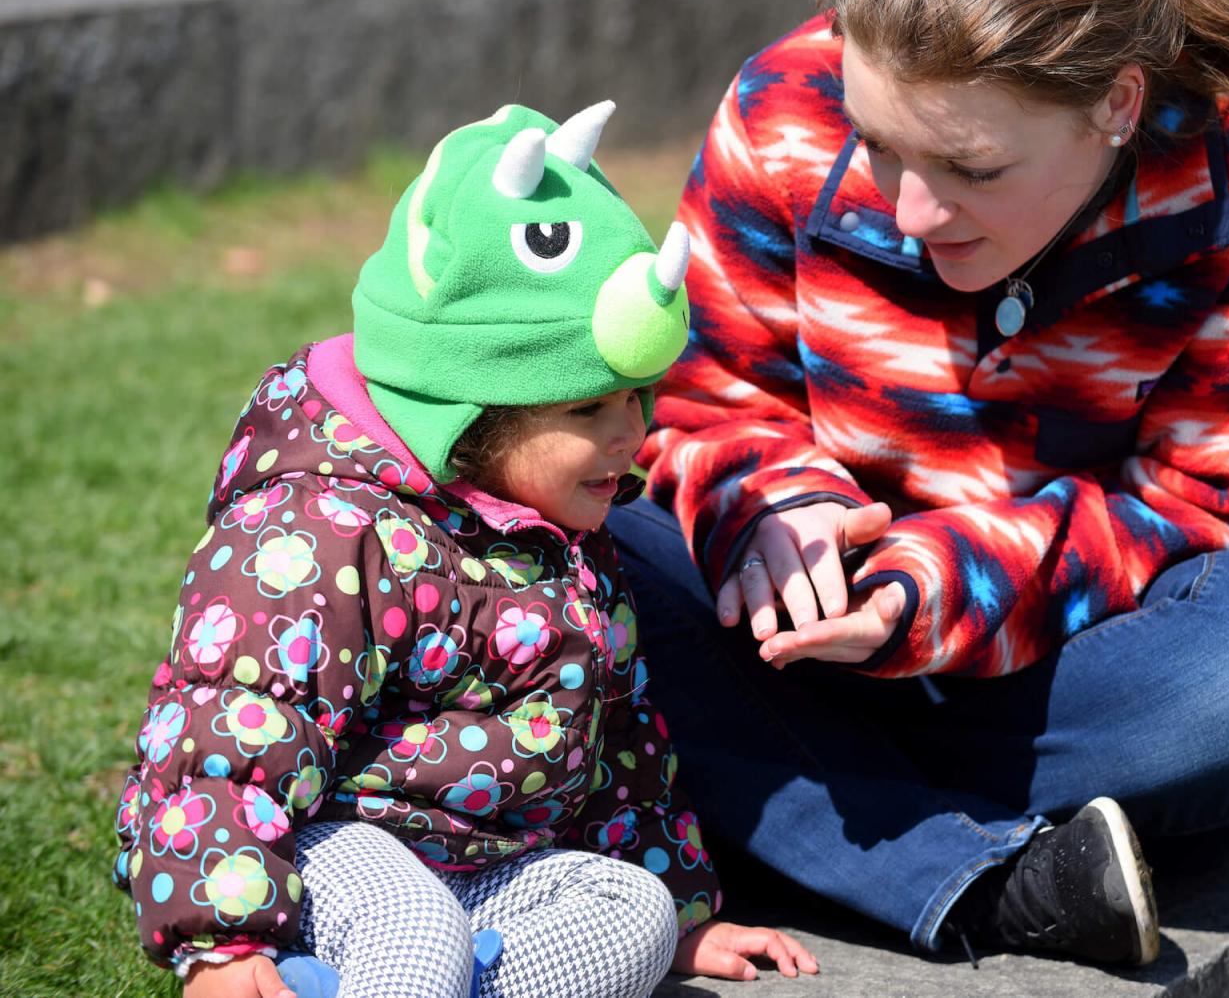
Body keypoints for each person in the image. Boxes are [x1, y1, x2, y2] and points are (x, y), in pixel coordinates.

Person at [611, 0, 1229, 966]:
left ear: (1116, 104)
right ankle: (989, 879)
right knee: (561, 542)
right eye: (877, 145)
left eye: (970, 167)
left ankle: (769, 804)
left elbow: (1209, 509)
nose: (911, 209)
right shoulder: (785, 99)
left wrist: (937, 585)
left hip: (1063, 672)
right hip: (784, 646)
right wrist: (768, 508)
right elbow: (706, 401)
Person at [112, 102, 817, 998]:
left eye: (639, 399)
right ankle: (357, 968)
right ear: (474, 407)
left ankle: (390, 984)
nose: (630, 434)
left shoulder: (565, 531)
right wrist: (224, 938)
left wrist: (683, 910)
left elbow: (621, 745)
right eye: (587, 410)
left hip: (481, 866)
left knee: (627, 915)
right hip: (321, 846)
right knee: (413, 931)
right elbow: (231, 731)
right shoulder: (320, 531)